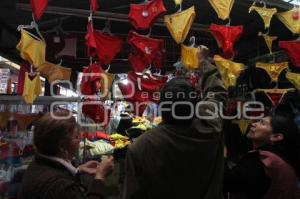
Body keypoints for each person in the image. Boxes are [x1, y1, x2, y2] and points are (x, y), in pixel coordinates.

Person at [122, 48, 228, 199]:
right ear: (195, 105)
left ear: (161, 106)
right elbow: (217, 93)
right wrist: (204, 62)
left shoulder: (141, 146)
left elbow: (132, 194)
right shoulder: (210, 126)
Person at [18, 112, 114, 199]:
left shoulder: (38, 163)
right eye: (76, 137)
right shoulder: (59, 186)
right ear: (61, 146)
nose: (80, 139)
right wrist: (99, 177)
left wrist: (78, 169)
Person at [224, 115, 300, 199]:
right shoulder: (282, 159)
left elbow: (227, 182)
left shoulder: (263, 161)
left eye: (262, 123)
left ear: (276, 137)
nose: (253, 124)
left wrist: (221, 157)